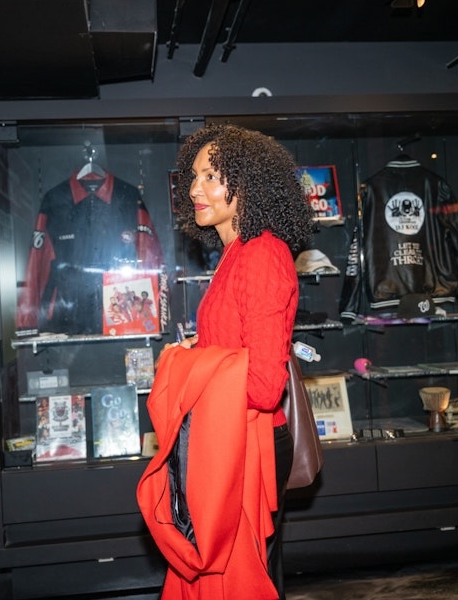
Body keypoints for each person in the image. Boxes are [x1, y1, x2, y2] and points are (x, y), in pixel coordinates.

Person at [137, 124, 313, 599]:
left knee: (242, 580)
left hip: (248, 444)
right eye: (194, 177)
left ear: (248, 184)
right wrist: (199, 349)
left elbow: (260, 384)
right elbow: (236, 346)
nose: (196, 189)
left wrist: (185, 365)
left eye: (213, 176)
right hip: (230, 439)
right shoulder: (236, 251)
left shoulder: (262, 255)